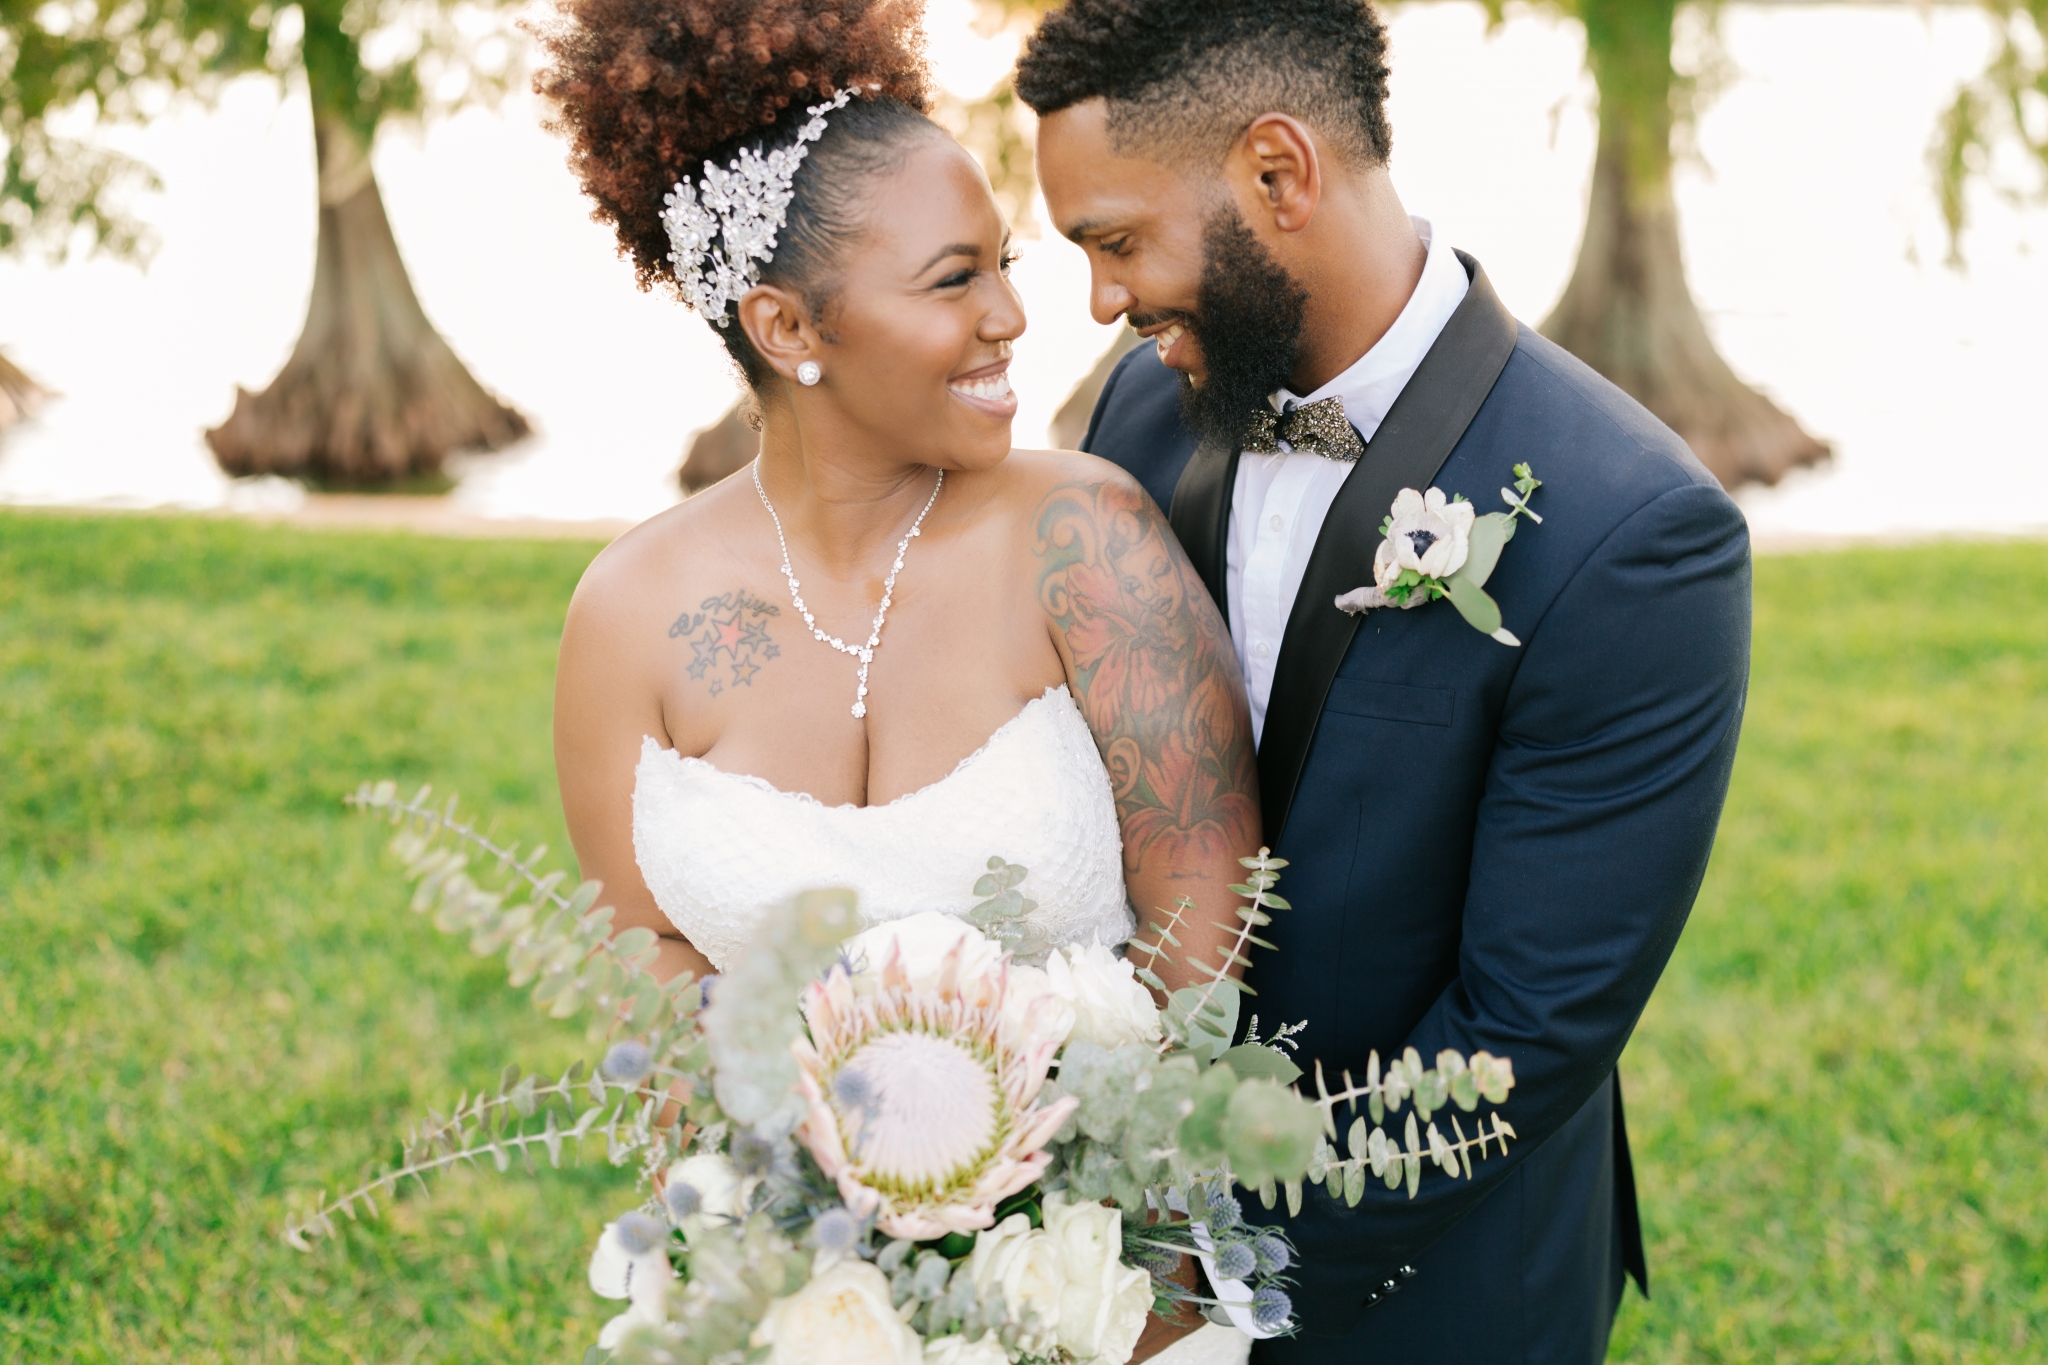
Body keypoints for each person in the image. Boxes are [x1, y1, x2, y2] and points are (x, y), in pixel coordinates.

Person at [1017, 0, 1753, 1361]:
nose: (1102, 301)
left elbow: (1525, 1035)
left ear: (1278, 174)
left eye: (1116, 241)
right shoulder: (1137, 411)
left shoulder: (1630, 533)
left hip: (1442, 1286)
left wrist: (1204, 1260)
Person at [538, 1, 1260, 1359]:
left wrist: (1069, 1267)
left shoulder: (1086, 542)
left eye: (1003, 264)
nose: (1012, 316)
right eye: (952, 281)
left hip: (1115, 1294)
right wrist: (793, 1264)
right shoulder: (627, 616)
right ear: (787, 322)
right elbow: (652, 986)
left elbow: (1206, 966)